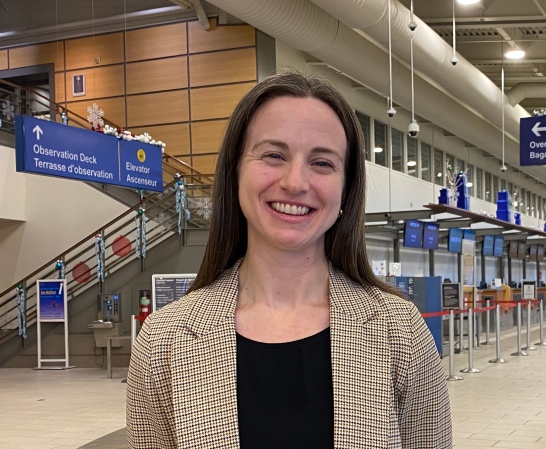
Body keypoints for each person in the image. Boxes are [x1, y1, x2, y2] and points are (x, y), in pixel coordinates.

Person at [126, 71, 452, 448]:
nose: (295, 182)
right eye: (274, 155)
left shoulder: (401, 333)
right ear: (234, 173)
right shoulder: (164, 342)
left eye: (323, 163)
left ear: (346, 190)